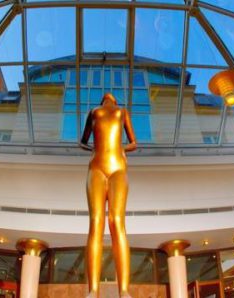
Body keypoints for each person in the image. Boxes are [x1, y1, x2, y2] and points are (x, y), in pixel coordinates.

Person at [80, 93, 137, 298]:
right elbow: (82, 141)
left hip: (118, 169)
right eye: (105, 97)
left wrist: (121, 148)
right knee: (96, 222)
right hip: (96, 168)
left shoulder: (122, 112)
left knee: (116, 222)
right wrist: (95, 148)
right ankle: (93, 290)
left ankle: (124, 290)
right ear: (102, 101)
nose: (108, 97)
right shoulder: (94, 112)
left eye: (110, 98)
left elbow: (134, 142)